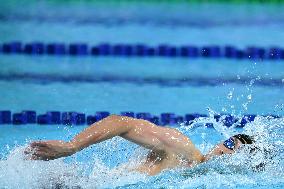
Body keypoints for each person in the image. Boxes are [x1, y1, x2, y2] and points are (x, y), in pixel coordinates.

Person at [26, 115, 255, 175]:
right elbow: (121, 122)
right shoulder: (184, 149)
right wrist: (71, 146)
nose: (228, 152)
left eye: (237, 153)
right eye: (229, 143)